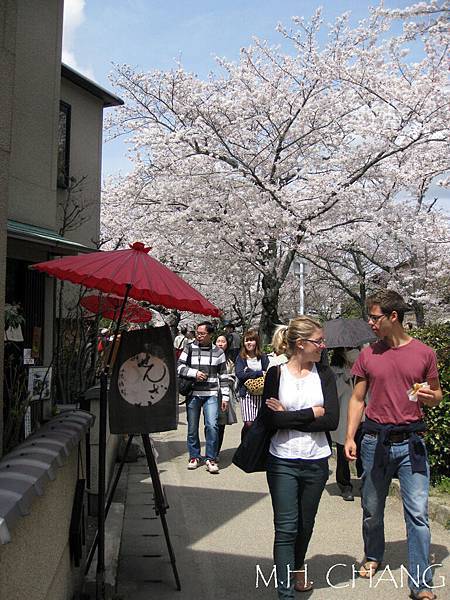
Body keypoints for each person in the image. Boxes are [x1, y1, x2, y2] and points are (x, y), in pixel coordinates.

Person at [344, 290, 442, 600]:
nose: (370, 323)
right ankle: (373, 554)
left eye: (375, 317)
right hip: (375, 442)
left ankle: (421, 583)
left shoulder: (425, 353)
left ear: (393, 317)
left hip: (412, 443)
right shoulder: (368, 354)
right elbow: (358, 399)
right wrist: (349, 437)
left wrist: (432, 397)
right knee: (372, 509)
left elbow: (437, 394)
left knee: (418, 514)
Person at [261, 316, 339, 598]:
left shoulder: (325, 374)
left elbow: (331, 420)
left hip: (316, 460)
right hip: (282, 459)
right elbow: (270, 420)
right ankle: (285, 593)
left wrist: (288, 416)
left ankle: (296, 569)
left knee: (305, 524)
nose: (323, 345)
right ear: (300, 344)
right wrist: (309, 414)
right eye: (318, 341)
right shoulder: (276, 373)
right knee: (285, 527)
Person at [177, 322, 229, 474]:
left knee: (212, 426)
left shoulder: (219, 352)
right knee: (192, 427)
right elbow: (179, 366)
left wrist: (225, 397)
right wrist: (194, 373)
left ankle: (210, 458)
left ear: (210, 334)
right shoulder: (189, 348)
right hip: (193, 393)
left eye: (202, 333)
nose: (198, 335)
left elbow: (223, 375)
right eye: (197, 333)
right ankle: (194, 456)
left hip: (211, 394)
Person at [329, 346, 360, 501]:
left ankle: (366, 481)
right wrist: (345, 378)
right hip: (344, 417)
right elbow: (333, 394)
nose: (353, 352)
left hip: (363, 417)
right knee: (343, 453)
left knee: (365, 450)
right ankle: (345, 485)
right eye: (349, 349)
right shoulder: (334, 371)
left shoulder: (362, 368)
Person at [235, 330, 270, 440]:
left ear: (257, 342)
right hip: (246, 394)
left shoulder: (263, 357)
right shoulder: (241, 358)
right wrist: (259, 373)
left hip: (261, 393)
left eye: (252, 340)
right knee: (248, 423)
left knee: (259, 424)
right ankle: (244, 446)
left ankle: (255, 449)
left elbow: (268, 372)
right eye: (247, 341)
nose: (249, 343)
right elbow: (240, 374)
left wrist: (248, 372)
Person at [215, 334, 238, 455]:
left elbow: (234, 376)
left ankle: (216, 452)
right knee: (210, 424)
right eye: (218, 341)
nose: (220, 343)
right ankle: (211, 451)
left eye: (223, 341)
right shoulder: (210, 357)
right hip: (212, 394)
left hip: (225, 395)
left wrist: (226, 378)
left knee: (221, 424)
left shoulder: (230, 360)